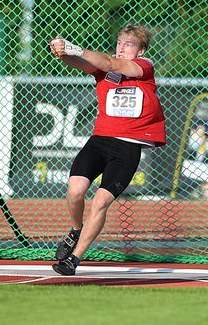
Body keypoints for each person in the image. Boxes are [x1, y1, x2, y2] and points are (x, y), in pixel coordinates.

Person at [49, 23, 167, 276]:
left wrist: (75, 48)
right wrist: (62, 52)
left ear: (141, 50)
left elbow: (113, 64)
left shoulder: (144, 67)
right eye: (120, 42)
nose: (122, 47)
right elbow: (83, 62)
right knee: (75, 191)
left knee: (100, 201)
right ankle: (75, 230)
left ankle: (75, 259)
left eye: (129, 44)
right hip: (100, 140)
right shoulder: (105, 69)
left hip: (128, 147)